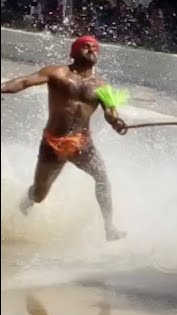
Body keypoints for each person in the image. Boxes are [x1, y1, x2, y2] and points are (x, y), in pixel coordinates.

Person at [2, 36, 128, 241]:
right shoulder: (57, 73)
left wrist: (117, 123)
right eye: (85, 46)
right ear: (73, 52)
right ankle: (22, 207)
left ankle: (109, 228)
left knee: (102, 178)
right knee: (39, 194)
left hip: (82, 144)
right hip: (53, 143)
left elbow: (111, 114)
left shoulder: (103, 86)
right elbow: (24, 81)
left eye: (95, 47)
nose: (91, 50)